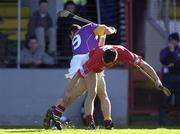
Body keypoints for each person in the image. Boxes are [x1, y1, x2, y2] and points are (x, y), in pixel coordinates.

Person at [43, 23, 117, 130]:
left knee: (70, 94)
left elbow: (99, 45)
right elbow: (105, 30)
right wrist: (112, 29)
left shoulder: (78, 37)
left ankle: (55, 113)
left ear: (72, 33)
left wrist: (102, 34)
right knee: (101, 94)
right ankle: (108, 123)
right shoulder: (89, 27)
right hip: (88, 60)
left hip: (78, 61)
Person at [159, 32, 180, 126]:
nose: (172, 42)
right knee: (165, 99)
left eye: (174, 40)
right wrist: (171, 52)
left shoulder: (179, 51)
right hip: (167, 78)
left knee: (178, 100)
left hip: (178, 77)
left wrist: (173, 62)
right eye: (171, 40)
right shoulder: (164, 50)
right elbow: (163, 60)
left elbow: (177, 62)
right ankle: (163, 121)